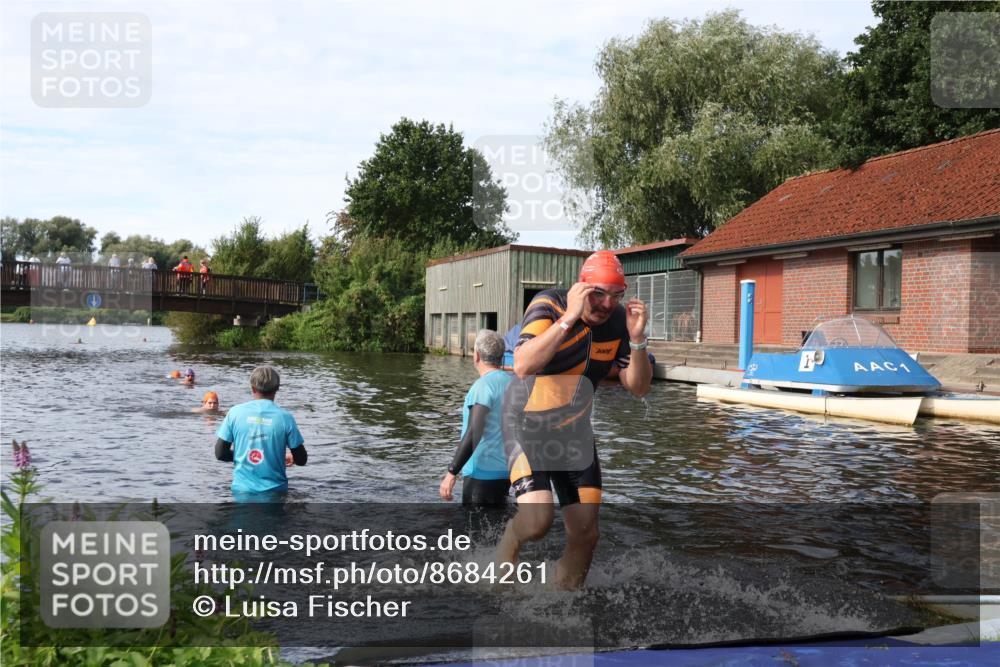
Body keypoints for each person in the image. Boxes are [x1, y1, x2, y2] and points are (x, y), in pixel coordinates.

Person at [496, 250, 653, 589]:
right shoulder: (549, 305)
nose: (606, 304)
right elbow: (523, 364)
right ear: (582, 287)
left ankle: (563, 601)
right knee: (538, 523)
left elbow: (638, 387)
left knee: (585, 533)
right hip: (527, 427)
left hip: (575, 434)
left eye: (616, 295)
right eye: (598, 293)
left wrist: (638, 340)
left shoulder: (618, 323)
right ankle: (511, 536)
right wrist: (569, 318)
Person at [439, 330, 514, 507]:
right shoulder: (513, 384)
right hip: (507, 473)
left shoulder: (482, 386)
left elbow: (474, 432)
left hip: (481, 473)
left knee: (473, 531)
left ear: (477, 355)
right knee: (497, 529)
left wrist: (451, 473)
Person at [214, 365, 307, 498]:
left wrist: (245, 455)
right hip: (275, 492)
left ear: (252, 388)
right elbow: (301, 460)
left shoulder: (234, 413)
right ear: (277, 389)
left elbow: (220, 454)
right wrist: (278, 457)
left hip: (241, 492)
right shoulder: (285, 418)